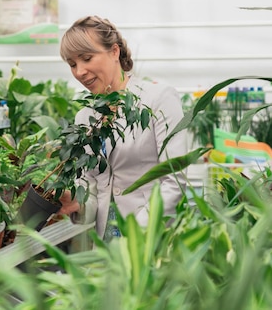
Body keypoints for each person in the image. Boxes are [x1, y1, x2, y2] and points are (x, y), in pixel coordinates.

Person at [58, 15, 187, 240]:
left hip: (150, 240)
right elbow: (92, 188)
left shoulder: (158, 99)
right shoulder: (85, 117)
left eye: (86, 58)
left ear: (114, 52)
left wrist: (135, 235)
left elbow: (175, 180)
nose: (79, 71)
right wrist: (77, 203)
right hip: (106, 246)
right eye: (72, 64)